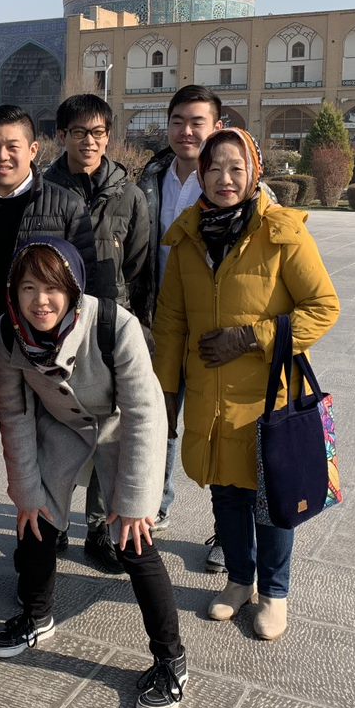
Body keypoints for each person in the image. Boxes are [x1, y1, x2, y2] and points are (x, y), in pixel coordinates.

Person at [0, 238, 187, 708]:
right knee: (37, 519)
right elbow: (13, 413)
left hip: (119, 424)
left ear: (73, 287)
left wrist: (137, 499)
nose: (40, 301)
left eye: (53, 288)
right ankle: (37, 616)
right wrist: (25, 489)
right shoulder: (6, 333)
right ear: (12, 291)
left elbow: (146, 411)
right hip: (61, 427)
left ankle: (171, 659)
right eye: (28, 287)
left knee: (133, 539)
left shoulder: (114, 323)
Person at [152, 128, 339, 641]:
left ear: (255, 171)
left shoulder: (282, 233)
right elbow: (170, 323)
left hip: (267, 396)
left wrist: (251, 337)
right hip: (211, 397)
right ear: (201, 174)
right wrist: (166, 395)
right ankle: (238, 581)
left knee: (270, 498)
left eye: (236, 168)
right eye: (214, 168)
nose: (225, 179)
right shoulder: (188, 237)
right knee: (226, 494)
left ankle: (275, 593)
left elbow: (324, 308)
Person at [0, 103, 105, 600]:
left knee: (43, 459)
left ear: (34, 149)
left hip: (40, 358)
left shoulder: (64, 205)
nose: (2, 155)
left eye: (13, 146)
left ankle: (37, 563)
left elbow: (88, 287)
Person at [42, 93, 150, 573]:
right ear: (61, 136)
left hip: (110, 327)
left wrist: (137, 329)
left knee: (111, 430)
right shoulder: (42, 189)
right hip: (55, 330)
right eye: (80, 132)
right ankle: (55, 521)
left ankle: (100, 530)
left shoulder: (129, 194)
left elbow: (141, 268)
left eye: (99, 133)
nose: (90, 141)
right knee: (56, 425)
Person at [132, 85, 225, 569]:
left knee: (221, 428)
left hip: (217, 332)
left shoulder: (235, 181)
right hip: (162, 323)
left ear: (217, 127)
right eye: (178, 121)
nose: (186, 132)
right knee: (159, 421)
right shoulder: (151, 177)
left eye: (197, 122)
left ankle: (226, 531)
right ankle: (156, 504)